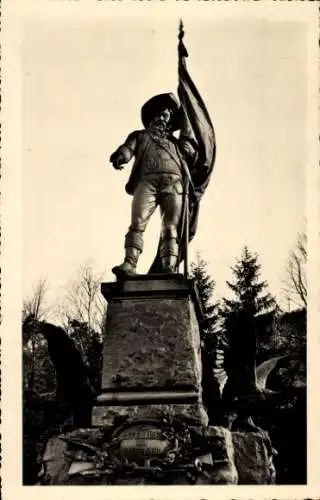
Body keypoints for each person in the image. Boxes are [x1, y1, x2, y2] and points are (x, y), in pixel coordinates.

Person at [110, 92, 197, 277]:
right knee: (137, 222)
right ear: (151, 118)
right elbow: (128, 148)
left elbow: (193, 165)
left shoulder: (176, 144)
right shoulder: (140, 136)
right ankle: (129, 263)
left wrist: (190, 153)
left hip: (174, 185)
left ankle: (169, 267)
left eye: (166, 115)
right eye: (158, 115)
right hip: (146, 182)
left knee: (171, 228)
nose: (162, 118)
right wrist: (121, 155)